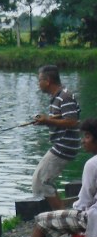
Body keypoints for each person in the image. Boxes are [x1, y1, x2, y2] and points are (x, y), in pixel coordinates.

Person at [27, 119, 97, 237]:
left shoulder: (92, 164)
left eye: (87, 136)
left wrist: (71, 217)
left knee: (40, 222)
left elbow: (84, 202)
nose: (83, 141)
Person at [32, 64, 81, 210]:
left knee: (41, 182)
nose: (38, 83)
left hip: (65, 146)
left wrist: (47, 120)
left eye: (39, 79)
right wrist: (45, 121)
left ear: (47, 81)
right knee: (43, 181)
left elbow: (72, 121)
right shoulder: (57, 97)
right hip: (61, 145)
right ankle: (60, 215)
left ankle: (61, 219)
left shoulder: (65, 96)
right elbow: (62, 120)